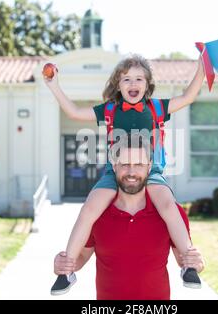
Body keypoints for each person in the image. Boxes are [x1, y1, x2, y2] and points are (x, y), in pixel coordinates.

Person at [43, 53, 205, 294]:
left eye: (139, 79)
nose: (133, 84)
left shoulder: (158, 107)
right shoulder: (110, 110)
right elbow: (75, 112)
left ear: (148, 84)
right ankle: (67, 270)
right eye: (126, 79)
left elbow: (189, 96)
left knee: (169, 206)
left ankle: (189, 265)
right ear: (117, 84)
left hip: (151, 171)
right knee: (89, 208)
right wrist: (54, 85)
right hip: (114, 170)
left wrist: (202, 66)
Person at [53, 135, 205, 299]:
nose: (131, 172)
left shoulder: (169, 212)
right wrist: (64, 265)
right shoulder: (97, 212)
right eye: (125, 164)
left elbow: (184, 261)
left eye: (139, 164)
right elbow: (81, 256)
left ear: (149, 167)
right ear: (114, 166)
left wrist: (198, 263)